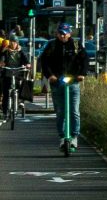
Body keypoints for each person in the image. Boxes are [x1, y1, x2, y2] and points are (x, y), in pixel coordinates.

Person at [37, 27, 90, 155]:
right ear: (57, 34)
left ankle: (74, 137)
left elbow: (84, 60)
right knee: (60, 111)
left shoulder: (76, 45)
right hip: (57, 82)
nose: (62, 36)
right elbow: (44, 62)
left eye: (64, 34)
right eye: (60, 33)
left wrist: (82, 74)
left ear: (69, 34)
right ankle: (62, 137)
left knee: (74, 111)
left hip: (73, 81)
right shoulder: (52, 45)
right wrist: (50, 76)